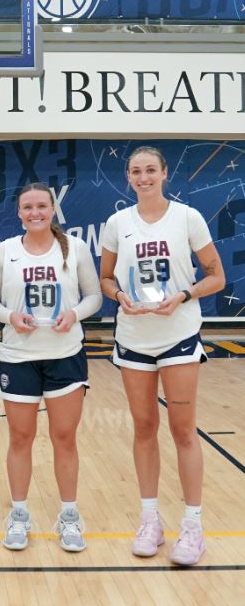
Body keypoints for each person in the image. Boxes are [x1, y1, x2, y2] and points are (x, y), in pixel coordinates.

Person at [100, 146, 225, 566]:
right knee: (143, 427)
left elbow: (216, 275)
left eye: (151, 169)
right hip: (134, 334)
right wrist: (119, 296)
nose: (144, 177)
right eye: (136, 171)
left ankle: (193, 525)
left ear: (165, 173)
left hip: (178, 333)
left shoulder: (187, 217)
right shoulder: (118, 223)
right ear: (128, 177)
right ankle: (150, 519)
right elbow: (104, 277)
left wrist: (183, 295)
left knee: (183, 430)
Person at [0, 182, 102, 552]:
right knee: (21, 439)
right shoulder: (5, 251)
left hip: (65, 355)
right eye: (27, 207)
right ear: (19, 212)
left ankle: (69, 516)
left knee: (65, 438)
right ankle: (19, 515)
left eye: (41, 206)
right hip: (18, 357)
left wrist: (74, 313)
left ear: (53, 209)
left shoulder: (76, 248)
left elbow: (94, 296)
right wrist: (10, 316)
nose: (35, 212)